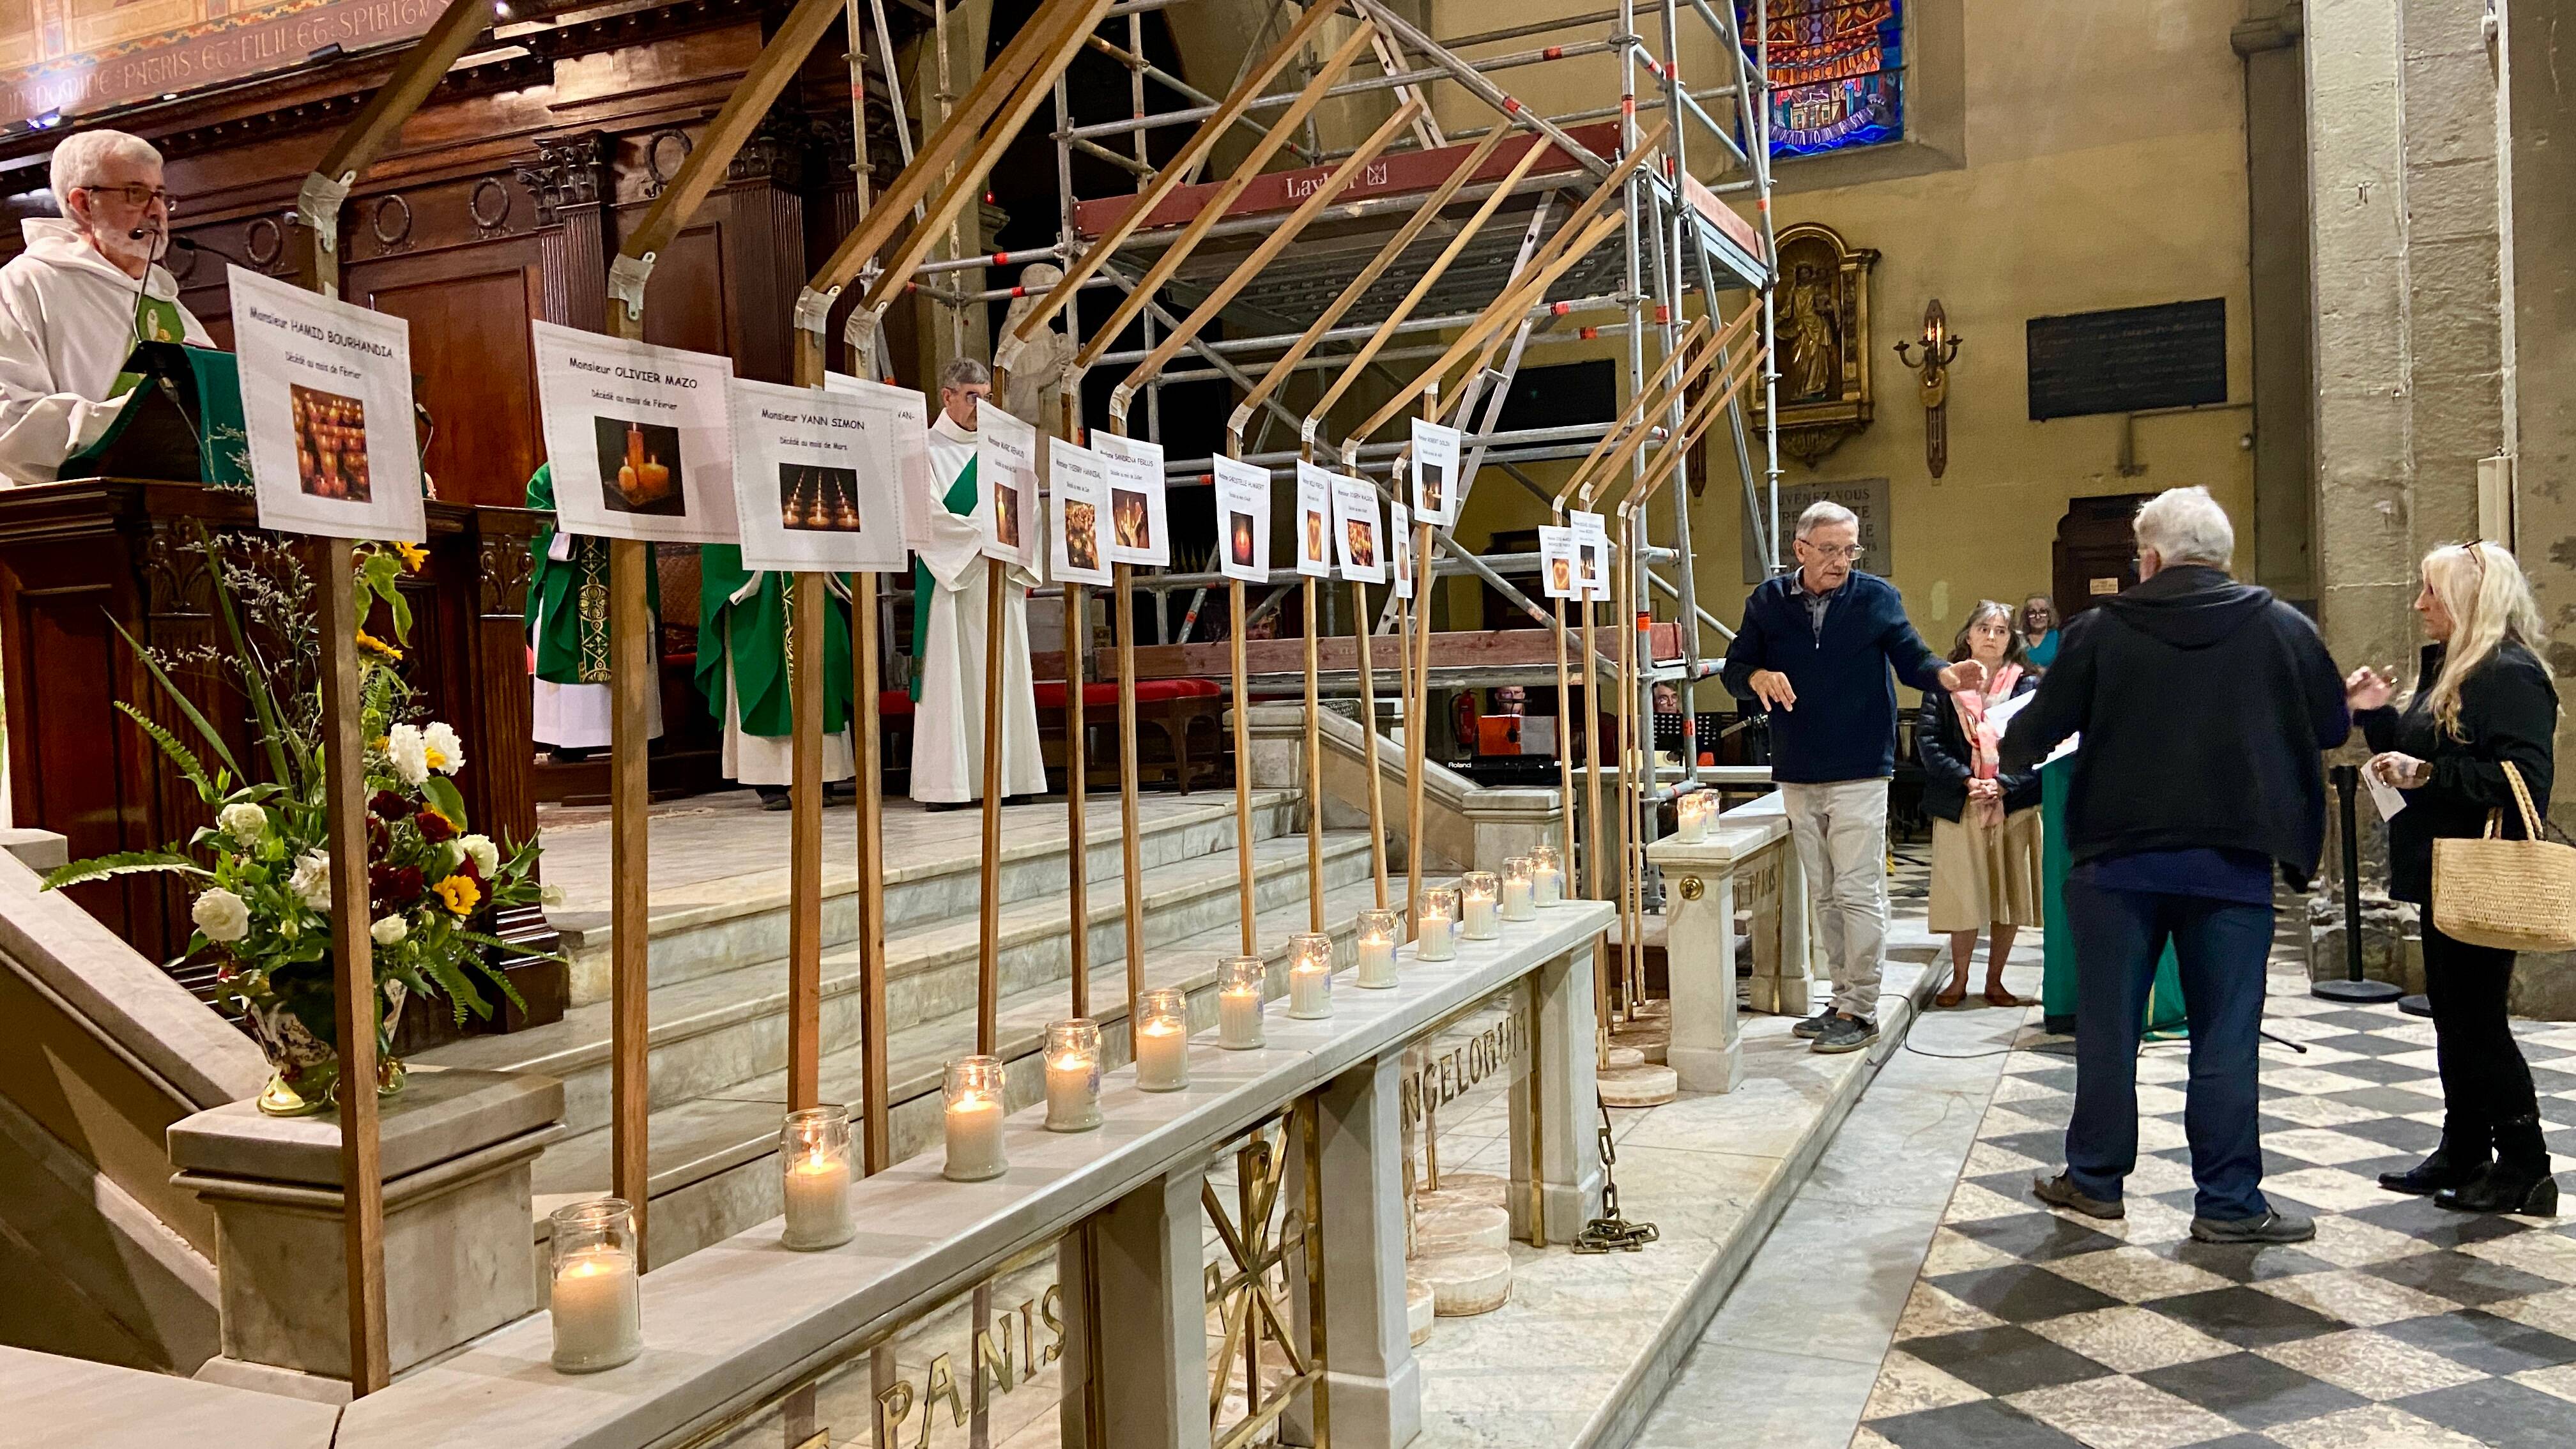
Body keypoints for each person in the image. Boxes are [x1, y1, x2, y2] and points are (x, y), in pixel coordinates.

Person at [2002, 486, 2349, 1245]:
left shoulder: (2100, 630)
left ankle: (2095, 1181)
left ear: (2152, 558)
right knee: (2226, 1036)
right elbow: (2330, 724)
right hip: (2231, 868)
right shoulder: (2282, 626)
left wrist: (2007, 738)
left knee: (2107, 1032)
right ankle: (2228, 1203)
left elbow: (2032, 734)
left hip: (2116, 868)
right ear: (2222, 555)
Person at [1721, 500, 1985, 1055]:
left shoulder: (1875, 598)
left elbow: (1913, 658)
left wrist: (1946, 674)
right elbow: (1734, 670)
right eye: (1830, 550)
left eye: (1850, 549)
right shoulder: (1767, 602)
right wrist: (1758, 676)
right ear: (1800, 550)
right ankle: (1840, 999)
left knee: (1858, 889)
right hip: (1798, 766)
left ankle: (1862, 1009)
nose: (1842, 561)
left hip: (1861, 765)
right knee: (1824, 893)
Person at [2350, 541, 2559, 1216]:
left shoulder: (2509, 672)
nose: (2419, 605)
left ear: (2471, 597)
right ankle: (2465, 1147)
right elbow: (2427, 754)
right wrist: (2379, 719)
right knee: (2453, 1017)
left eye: (2432, 592)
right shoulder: (2455, 668)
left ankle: (2526, 1166)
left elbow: (2525, 779)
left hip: (2480, 869)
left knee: (2478, 1021)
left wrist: (2430, 775)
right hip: (2441, 869)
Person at [0, 130, 210, 484]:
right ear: (83, 204)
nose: (156, 211)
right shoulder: (24, 285)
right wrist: (137, 419)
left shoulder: (170, 306)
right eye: (136, 193)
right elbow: (11, 421)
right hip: (72, 510)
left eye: (160, 195)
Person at [912, 356, 1044, 808]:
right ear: (947, 397)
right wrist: (989, 536)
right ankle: (949, 786)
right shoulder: (922, 451)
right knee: (951, 680)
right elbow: (927, 517)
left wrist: (1005, 539)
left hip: (999, 579)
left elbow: (1029, 509)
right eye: (972, 397)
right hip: (952, 581)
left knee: (1004, 676)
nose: (981, 407)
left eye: (987, 398)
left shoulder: (1003, 449)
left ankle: (1012, 778)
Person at [1917, 601, 2040, 1009]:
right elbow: (1929, 743)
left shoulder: (2028, 685)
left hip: (2014, 804)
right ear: (1968, 635)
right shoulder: (1945, 682)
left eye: (2001, 631)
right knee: (1962, 896)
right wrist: (1968, 780)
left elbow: (2041, 745)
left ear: (2011, 639)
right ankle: (1959, 978)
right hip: (1962, 801)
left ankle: (1996, 980)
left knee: (2008, 897)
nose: (1991, 637)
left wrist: (2003, 784)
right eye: (1984, 628)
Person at [524, 463, 663, 762]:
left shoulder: (623, 465)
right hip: (571, 572)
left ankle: (637, 735)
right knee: (568, 634)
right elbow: (537, 521)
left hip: (621, 566)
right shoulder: (551, 473)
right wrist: (572, 519)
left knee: (630, 632)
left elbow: (647, 511)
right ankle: (572, 741)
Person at [698, 554, 857, 810]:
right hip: (758, 596)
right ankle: (769, 782)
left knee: (822, 666)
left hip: (810, 574)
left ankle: (821, 775)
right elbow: (719, 544)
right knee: (758, 670)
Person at [2020, 593, 2061, 671]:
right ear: (2026, 617)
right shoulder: (2019, 639)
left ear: (2049, 615)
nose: (2038, 617)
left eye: (2043, 612)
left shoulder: (2059, 638)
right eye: (2032, 613)